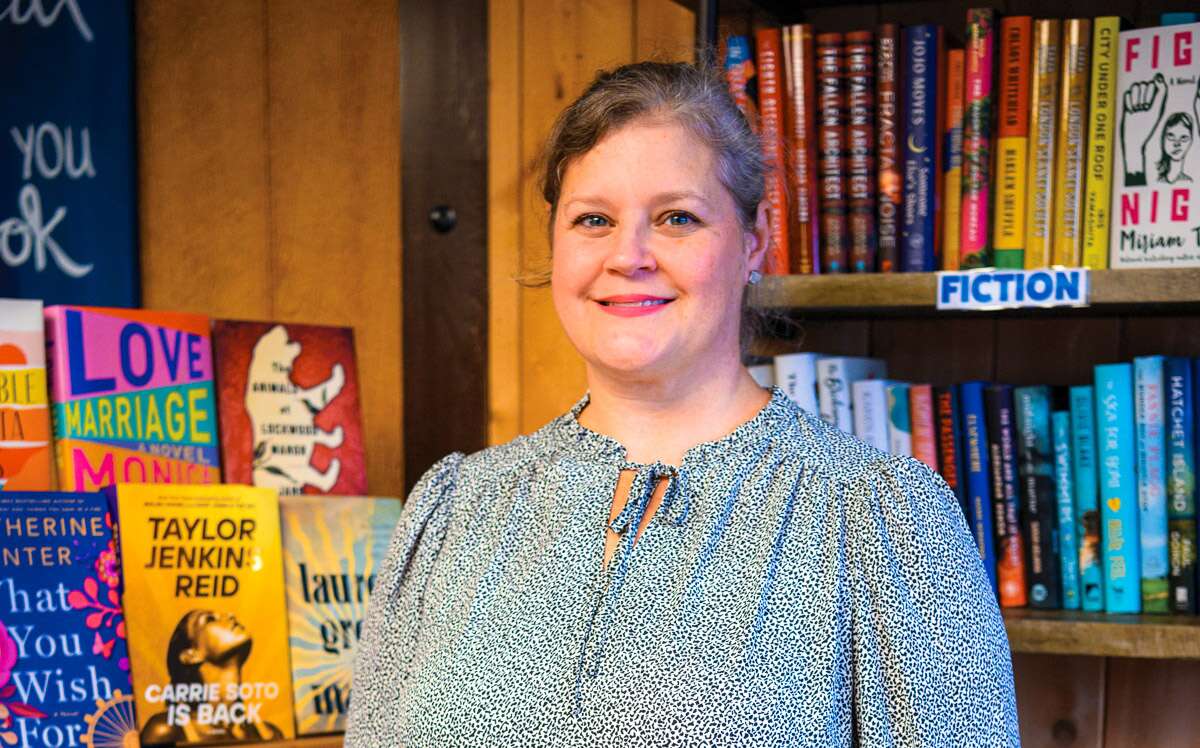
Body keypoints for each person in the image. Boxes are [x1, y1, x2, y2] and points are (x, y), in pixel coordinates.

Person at [347, 61, 1018, 746]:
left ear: (753, 241)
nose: (627, 255)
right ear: (555, 241)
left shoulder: (880, 522)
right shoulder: (455, 511)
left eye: (676, 218)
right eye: (593, 219)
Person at [139, 610, 284, 744]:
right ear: (190, 655)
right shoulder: (165, 731)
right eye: (210, 619)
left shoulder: (269, 734)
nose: (231, 616)